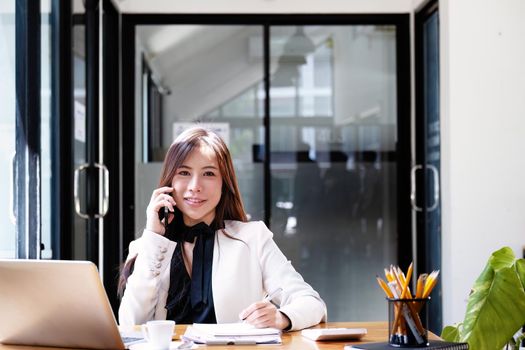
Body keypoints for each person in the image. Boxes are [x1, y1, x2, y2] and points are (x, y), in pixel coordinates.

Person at [118, 126, 327, 331]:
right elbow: (131, 325)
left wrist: (281, 317)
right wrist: (154, 237)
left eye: (208, 173)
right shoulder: (147, 247)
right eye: (184, 172)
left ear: (224, 183)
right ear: (169, 180)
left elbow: (312, 303)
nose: (195, 186)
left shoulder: (253, 238)